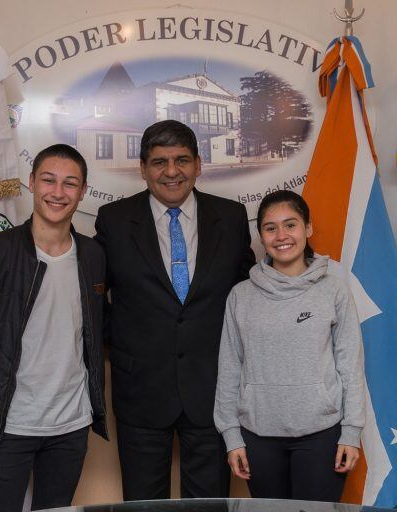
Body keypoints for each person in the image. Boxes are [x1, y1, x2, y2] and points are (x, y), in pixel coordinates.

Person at [95, 120, 256, 500]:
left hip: (213, 387)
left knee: (210, 502)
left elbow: (249, 294)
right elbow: (93, 298)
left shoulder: (231, 218)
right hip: (140, 389)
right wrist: (119, 343)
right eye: (159, 162)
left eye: (182, 160)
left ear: (199, 164)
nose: (171, 172)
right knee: (143, 503)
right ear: (143, 167)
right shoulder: (114, 221)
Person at [0, 144, 108, 511]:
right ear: (32, 183)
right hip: (10, 423)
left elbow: (96, 331)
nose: (58, 192)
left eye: (70, 184)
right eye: (48, 180)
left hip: (71, 424)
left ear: (83, 191)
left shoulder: (94, 255)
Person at [214, 190, 365, 502]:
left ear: (307, 229)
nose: (281, 236)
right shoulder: (241, 296)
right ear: (261, 236)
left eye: (290, 225)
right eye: (270, 228)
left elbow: (350, 366)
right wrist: (231, 437)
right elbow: (229, 369)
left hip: (322, 435)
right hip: (258, 436)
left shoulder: (334, 291)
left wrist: (351, 432)